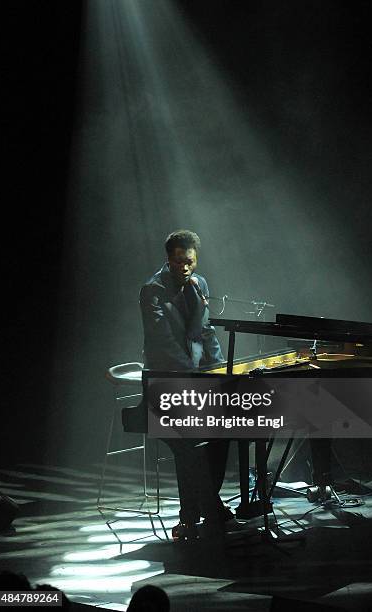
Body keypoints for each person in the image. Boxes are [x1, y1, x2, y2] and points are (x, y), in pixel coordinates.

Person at [140, 230, 235, 539]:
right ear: (169, 259)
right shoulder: (152, 290)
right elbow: (163, 342)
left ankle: (209, 504)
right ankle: (192, 513)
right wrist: (193, 379)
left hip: (199, 376)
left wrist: (220, 371)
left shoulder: (200, 283)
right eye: (179, 262)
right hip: (166, 381)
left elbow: (206, 332)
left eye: (190, 262)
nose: (184, 267)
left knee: (222, 434)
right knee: (188, 443)